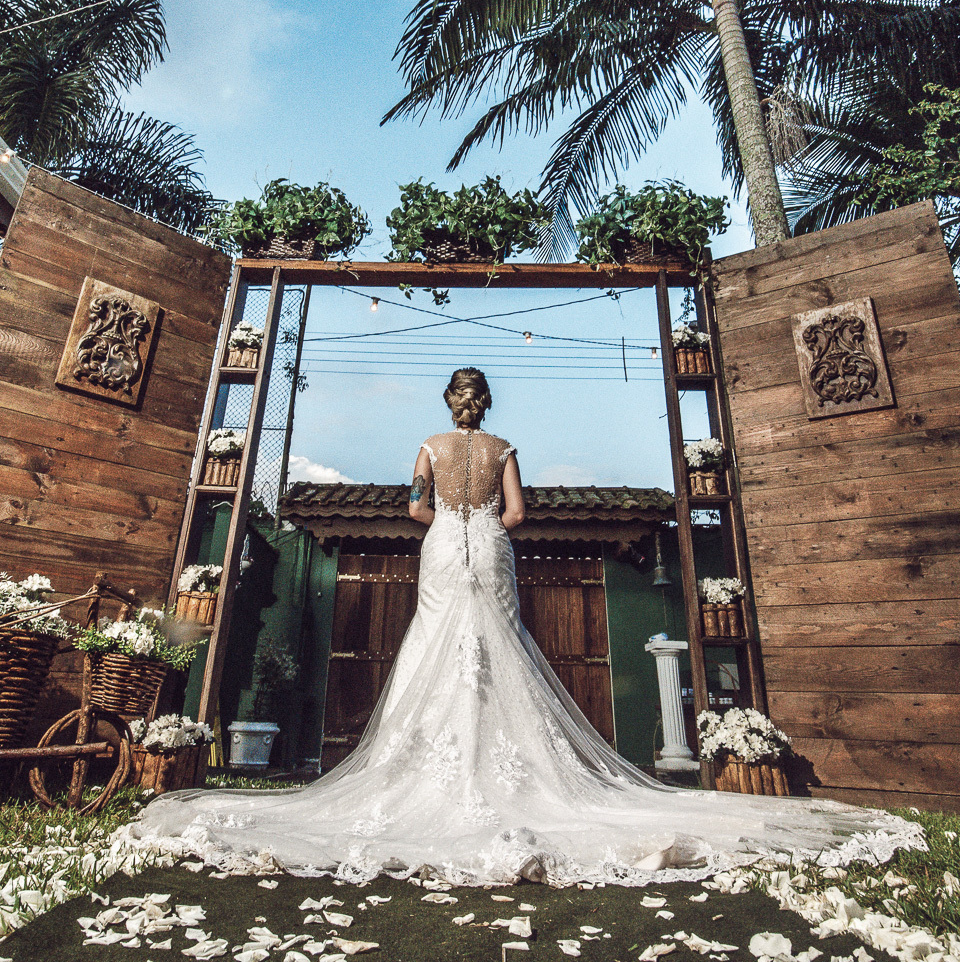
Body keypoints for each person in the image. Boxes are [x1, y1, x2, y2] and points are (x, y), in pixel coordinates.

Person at [124, 368, 922, 883]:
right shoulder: (504, 444)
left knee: (437, 644)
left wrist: (445, 519)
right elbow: (519, 513)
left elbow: (413, 508)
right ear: (487, 406)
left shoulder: (430, 446)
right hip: (490, 548)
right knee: (500, 644)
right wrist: (484, 526)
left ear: (448, 403)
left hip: (444, 547)